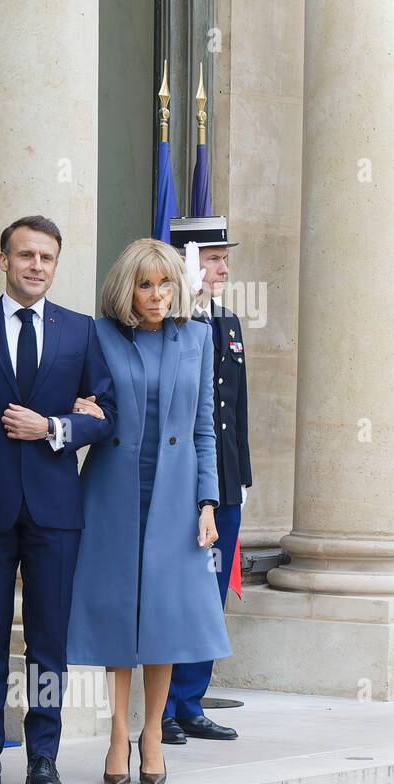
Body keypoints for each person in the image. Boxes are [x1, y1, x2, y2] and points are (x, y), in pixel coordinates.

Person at [0, 215, 116, 784]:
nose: (35, 266)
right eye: (25, 256)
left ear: (56, 263)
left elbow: (107, 416)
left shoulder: (80, 332)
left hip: (54, 512)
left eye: (46, 258)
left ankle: (42, 755)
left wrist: (52, 425)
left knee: (48, 640)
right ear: (4, 261)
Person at [66, 238, 232, 784]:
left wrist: (207, 502)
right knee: (119, 611)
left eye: (164, 284)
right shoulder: (100, 334)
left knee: (166, 619)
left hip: (178, 494)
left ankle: (153, 732)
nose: (156, 296)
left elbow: (204, 427)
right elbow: (86, 400)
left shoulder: (198, 338)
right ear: (126, 289)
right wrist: (80, 408)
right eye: (144, 285)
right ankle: (118, 733)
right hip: (113, 489)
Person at [163, 216, 248, 745]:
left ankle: (191, 700)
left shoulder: (229, 322)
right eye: (212, 258)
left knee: (209, 597)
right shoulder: (166, 325)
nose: (222, 267)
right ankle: (164, 706)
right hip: (183, 482)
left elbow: (234, 412)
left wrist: (242, 480)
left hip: (225, 479)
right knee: (178, 594)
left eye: (223, 258)